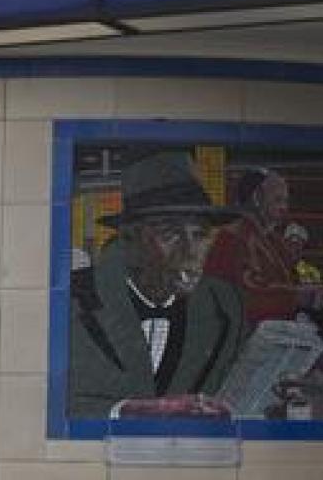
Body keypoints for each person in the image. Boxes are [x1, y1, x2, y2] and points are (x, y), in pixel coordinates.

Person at [67, 152, 245, 418]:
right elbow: (44, 401)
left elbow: (237, 390)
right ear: (130, 239)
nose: (191, 252)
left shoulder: (224, 304)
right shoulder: (74, 298)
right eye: (170, 234)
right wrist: (129, 411)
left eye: (200, 235)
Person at [204, 169, 323, 331]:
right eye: (278, 200)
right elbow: (245, 298)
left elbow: (291, 280)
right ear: (257, 198)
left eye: (286, 201)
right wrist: (297, 297)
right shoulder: (232, 239)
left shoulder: (273, 240)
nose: (284, 208)